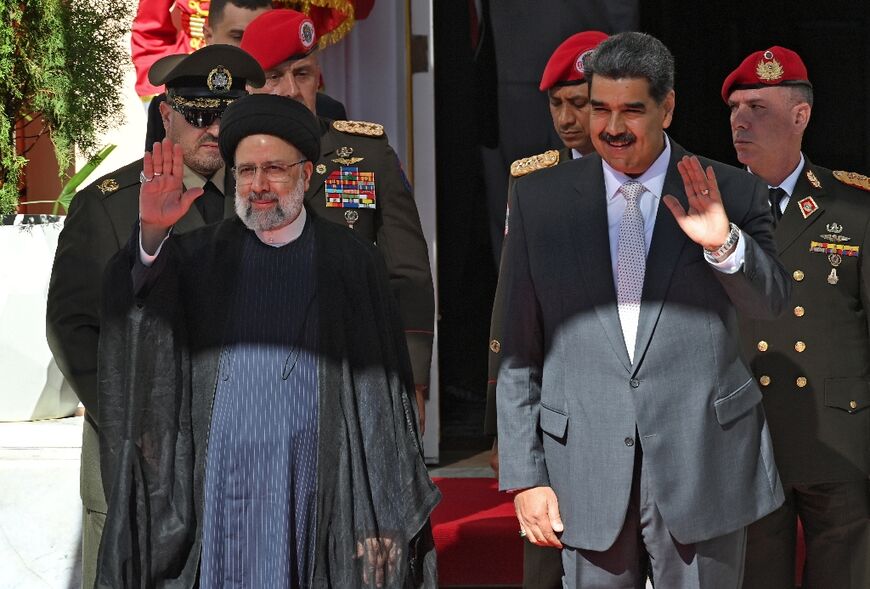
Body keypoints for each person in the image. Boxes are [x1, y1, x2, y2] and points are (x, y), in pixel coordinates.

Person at [94, 93, 439, 588]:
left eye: (274, 169)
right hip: (219, 491)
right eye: (246, 170)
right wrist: (151, 235)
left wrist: (381, 511)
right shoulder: (195, 258)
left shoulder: (352, 261)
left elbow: (379, 401)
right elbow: (135, 319)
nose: (258, 186)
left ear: (306, 173)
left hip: (317, 485)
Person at [495, 31, 790, 588]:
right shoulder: (541, 200)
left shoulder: (729, 191)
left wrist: (722, 244)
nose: (611, 127)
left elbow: (771, 304)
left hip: (704, 462)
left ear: (668, 107)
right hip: (584, 466)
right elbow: (518, 347)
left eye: (632, 110)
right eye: (599, 108)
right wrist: (525, 475)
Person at [45, 45, 263, 589]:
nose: (214, 129)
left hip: (242, 458)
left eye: (227, 114)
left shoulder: (266, 198)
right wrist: (133, 419)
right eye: (198, 116)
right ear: (166, 115)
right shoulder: (109, 205)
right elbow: (72, 327)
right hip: (137, 458)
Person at [241, 9, 435, 431]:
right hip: (256, 370)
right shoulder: (231, 163)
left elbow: (408, 274)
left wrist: (414, 376)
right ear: (249, 86)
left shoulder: (366, 153)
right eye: (274, 76)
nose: (291, 90)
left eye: (303, 74)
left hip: (355, 366)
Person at [722, 46, 870, 588]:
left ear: (799, 116)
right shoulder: (710, 205)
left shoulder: (853, 206)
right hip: (747, 437)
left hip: (839, 438)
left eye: (757, 106)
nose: (740, 119)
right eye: (734, 107)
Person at [483, 29, 607, 589]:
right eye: (556, 104)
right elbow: (512, 311)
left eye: (577, 103)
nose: (565, 118)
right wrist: (504, 432)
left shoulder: (661, 177)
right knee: (547, 557)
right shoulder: (531, 179)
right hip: (556, 402)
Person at [144, 0, 347, 150]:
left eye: (264, 37)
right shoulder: (176, 105)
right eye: (239, 36)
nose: (251, 50)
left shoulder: (325, 109)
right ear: (208, 36)